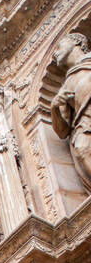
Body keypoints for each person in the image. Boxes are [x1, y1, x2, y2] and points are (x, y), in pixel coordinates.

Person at [51, 30, 91, 188]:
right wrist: (54, 107)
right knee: (82, 147)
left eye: (59, 46)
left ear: (77, 42)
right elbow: (62, 131)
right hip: (85, 125)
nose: (55, 53)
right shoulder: (65, 86)